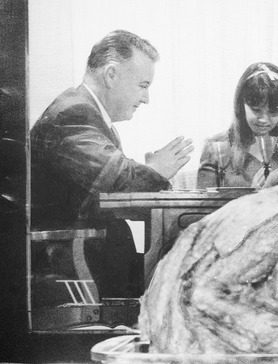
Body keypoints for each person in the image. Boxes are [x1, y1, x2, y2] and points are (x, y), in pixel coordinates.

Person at [30, 29, 194, 301]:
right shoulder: (74, 114)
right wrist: (155, 170)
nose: (146, 99)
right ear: (111, 75)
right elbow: (116, 182)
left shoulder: (87, 113)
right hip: (67, 272)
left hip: (79, 263)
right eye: (143, 85)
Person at [197, 62, 278, 189]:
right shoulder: (217, 149)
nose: (264, 120)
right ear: (241, 105)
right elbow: (204, 206)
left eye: (273, 112)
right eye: (256, 109)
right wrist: (251, 195)